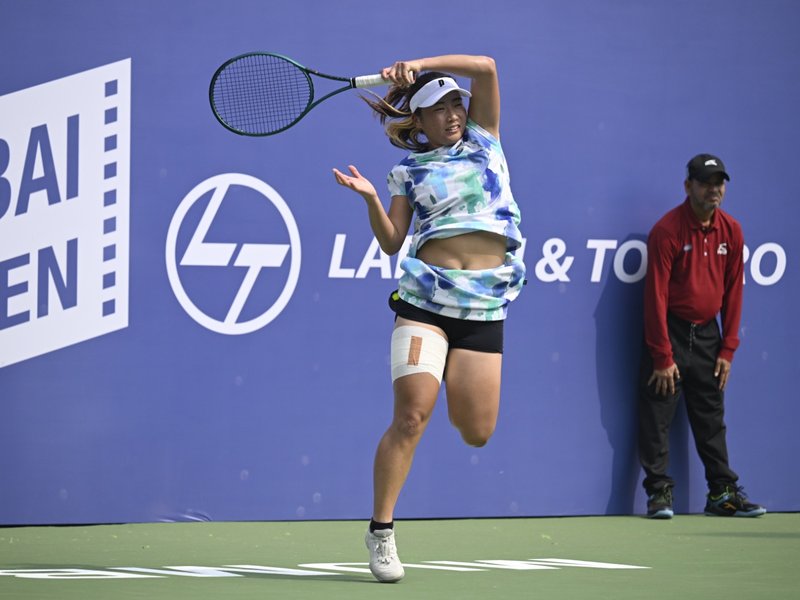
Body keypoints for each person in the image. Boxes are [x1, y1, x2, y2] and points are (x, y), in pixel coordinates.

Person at [332, 54, 525, 582]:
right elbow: (394, 242)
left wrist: (421, 64)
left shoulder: (486, 140)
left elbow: (486, 66)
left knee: (476, 431)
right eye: (438, 109)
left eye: (455, 103)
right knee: (412, 416)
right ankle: (382, 531)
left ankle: (455, 385)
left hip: (483, 306)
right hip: (425, 304)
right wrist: (373, 198)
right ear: (417, 121)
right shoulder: (408, 171)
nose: (452, 114)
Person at [638, 153, 765, 520]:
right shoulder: (667, 231)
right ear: (688, 186)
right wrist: (662, 356)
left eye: (719, 183)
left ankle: (722, 493)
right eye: (707, 183)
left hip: (709, 335)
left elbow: (734, 292)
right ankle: (659, 494)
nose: (714, 190)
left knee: (711, 417)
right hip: (670, 333)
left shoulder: (732, 231)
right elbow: (656, 297)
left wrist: (728, 347)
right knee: (657, 414)